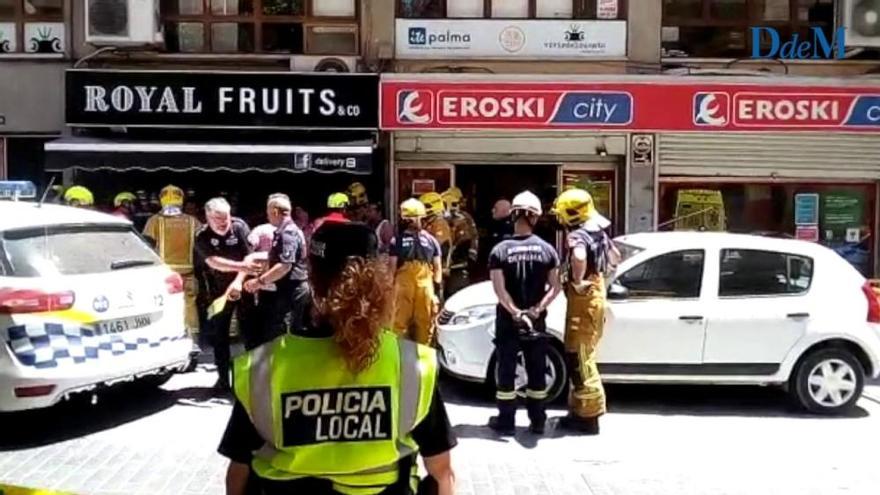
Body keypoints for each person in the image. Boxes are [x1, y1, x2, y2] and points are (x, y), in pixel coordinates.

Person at [221, 221, 457, 495]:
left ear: (312, 278)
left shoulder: (259, 367)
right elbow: (442, 475)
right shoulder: (414, 365)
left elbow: (236, 476)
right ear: (378, 280)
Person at [487, 191, 561, 436]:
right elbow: (555, 286)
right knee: (536, 369)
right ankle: (537, 421)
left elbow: (499, 289)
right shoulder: (548, 250)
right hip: (536, 321)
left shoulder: (499, 250)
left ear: (514, 215)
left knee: (506, 369)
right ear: (534, 217)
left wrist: (515, 312)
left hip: (508, 321)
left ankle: (506, 422)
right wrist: (536, 311)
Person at [553, 188, 618, 435]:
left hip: (583, 302)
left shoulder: (578, 236)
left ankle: (589, 417)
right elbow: (615, 256)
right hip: (596, 298)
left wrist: (578, 281)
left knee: (580, 359)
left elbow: (579, 257)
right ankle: (579, 411)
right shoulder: (599, 233)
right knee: (583, 355)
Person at [193, 198, 254, 391]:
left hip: (244, 285)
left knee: (249, 333)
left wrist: (238, 280)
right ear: (208, 217)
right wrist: (241, 266)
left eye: (226, 218)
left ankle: (252, 379)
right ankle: (222, 380)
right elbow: (213, 262)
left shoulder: (239, 227)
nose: (223, 223)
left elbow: (249, 258)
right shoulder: (201, 235)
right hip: (218, 290)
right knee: (219, 336)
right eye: (218, 219)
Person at [243, 194, 309, 335]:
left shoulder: (288, 233)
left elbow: (285, 266)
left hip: (292, 291)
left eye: (268, 214)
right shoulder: (285, 231)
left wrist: (259, 282)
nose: (267, 217)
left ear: (274, 212)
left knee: (284, 334)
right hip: (287, 289)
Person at [143, 185, 201, 339]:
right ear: (181, 201)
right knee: (189, 307)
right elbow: (202, 246)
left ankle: (168, 339)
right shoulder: (193, 221)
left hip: (165, 276)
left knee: (165, 306)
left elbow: (146, 245)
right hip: (189, 274)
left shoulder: (154, 221)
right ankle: (192, 340)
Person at [389, 199, 443, 347]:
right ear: (421, 218)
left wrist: (388, 287)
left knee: (398, 324)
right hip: (426, 285)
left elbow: (392, 268)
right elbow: (438, 269)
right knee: (425, 325)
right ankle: (424, 359)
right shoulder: (432, 241)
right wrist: (437, 292)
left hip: (402, 285)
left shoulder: (396, 241)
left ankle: (397, 356)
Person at [441, 187, 478, 296]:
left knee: (457, 296)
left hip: (458, 267)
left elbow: (469, 239)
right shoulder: (441, 220)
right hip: (448, 267)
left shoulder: (463, 219)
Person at [418, 192, 452, 280]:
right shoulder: (429, 222)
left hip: (436, 271)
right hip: (427, 270)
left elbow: (439, 246)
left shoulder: (440, 223)